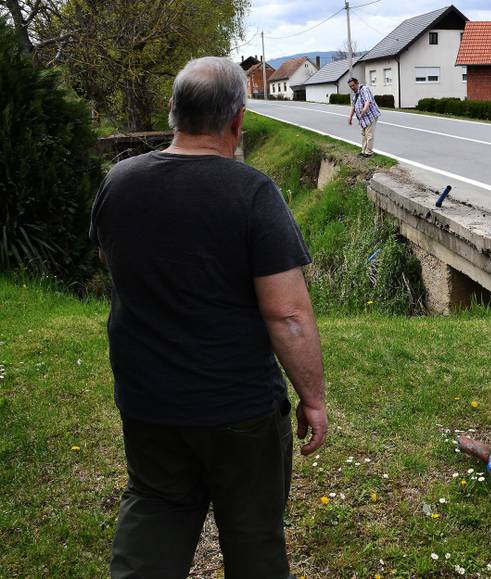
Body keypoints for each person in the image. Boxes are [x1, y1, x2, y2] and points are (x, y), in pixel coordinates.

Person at [90, 56, 328, 579]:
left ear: (174, 112)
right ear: (237, 120)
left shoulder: (119, 182)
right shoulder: (252, 193)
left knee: (155, 506)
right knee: (253, 536)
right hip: (239, 411)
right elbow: (287, 314)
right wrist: (312, 398)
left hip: (148, 403)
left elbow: (111, 260)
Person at [347, 77, 380, 157]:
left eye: (353, 85)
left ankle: (369, 152)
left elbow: (367, 101)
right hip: (363, 119)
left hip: (370, 116)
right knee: (364, 135)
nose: (352, 87)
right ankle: (363, 151)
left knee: (369, 135)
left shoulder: (364, 89)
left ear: (357, 83)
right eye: (350, 86)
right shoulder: (355, 95)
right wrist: (350, 116)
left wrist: (364, 110)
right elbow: (353, 107)